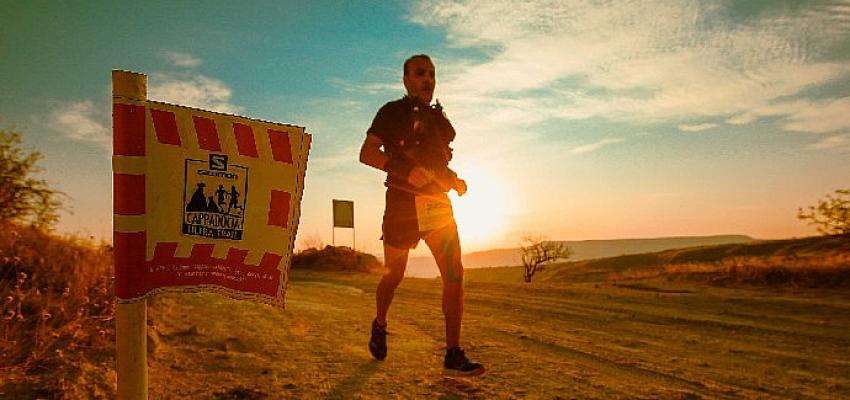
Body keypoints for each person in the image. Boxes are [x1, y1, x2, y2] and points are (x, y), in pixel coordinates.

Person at [359, 54, 484, 375]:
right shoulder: (390, 112)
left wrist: (453, 180)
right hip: (401, 205)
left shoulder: (439, 121)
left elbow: (436, 163)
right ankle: (380, 323)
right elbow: (367, 153)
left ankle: (453, 352)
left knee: (454, 274)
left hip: (436, 204)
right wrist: (404, 170)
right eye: (419, 73)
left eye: (431, 74)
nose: (428, 79)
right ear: (405, 80)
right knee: (394, 275)